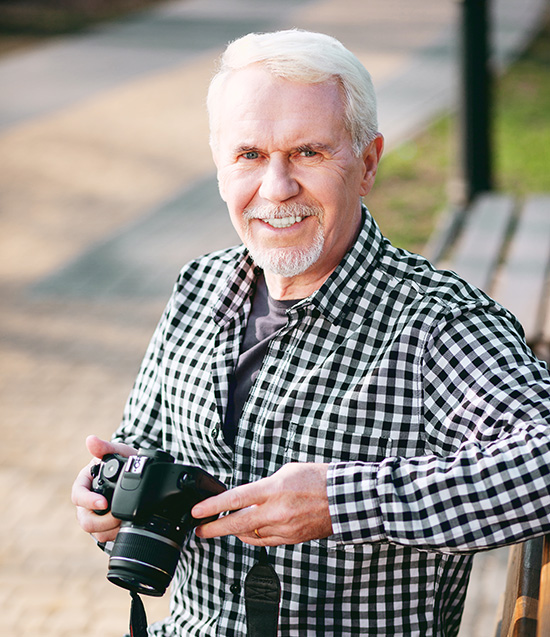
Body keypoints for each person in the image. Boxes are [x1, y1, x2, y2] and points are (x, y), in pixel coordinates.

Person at [72, 29, 550, 637]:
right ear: (220, 167)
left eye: (308, 153)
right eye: (249, 155)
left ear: (368, 163)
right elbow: (138, 447)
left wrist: (343, 503)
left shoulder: (435, 323)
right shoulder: (198, 287)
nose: (276, 188)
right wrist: (106, 501)